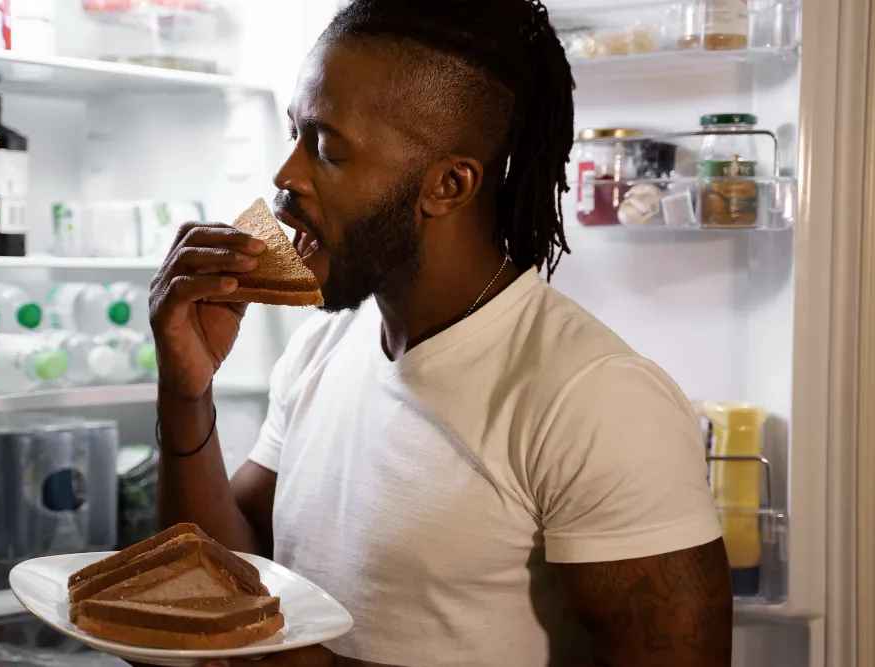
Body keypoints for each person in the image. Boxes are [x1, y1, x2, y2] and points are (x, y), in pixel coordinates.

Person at [148, 0, 733, 665]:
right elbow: (229, 568)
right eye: (293, 134)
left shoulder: (596, 397)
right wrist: (186, 389)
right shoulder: (323, 347)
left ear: (448, 185)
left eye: (325, 146)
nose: (286, 175)